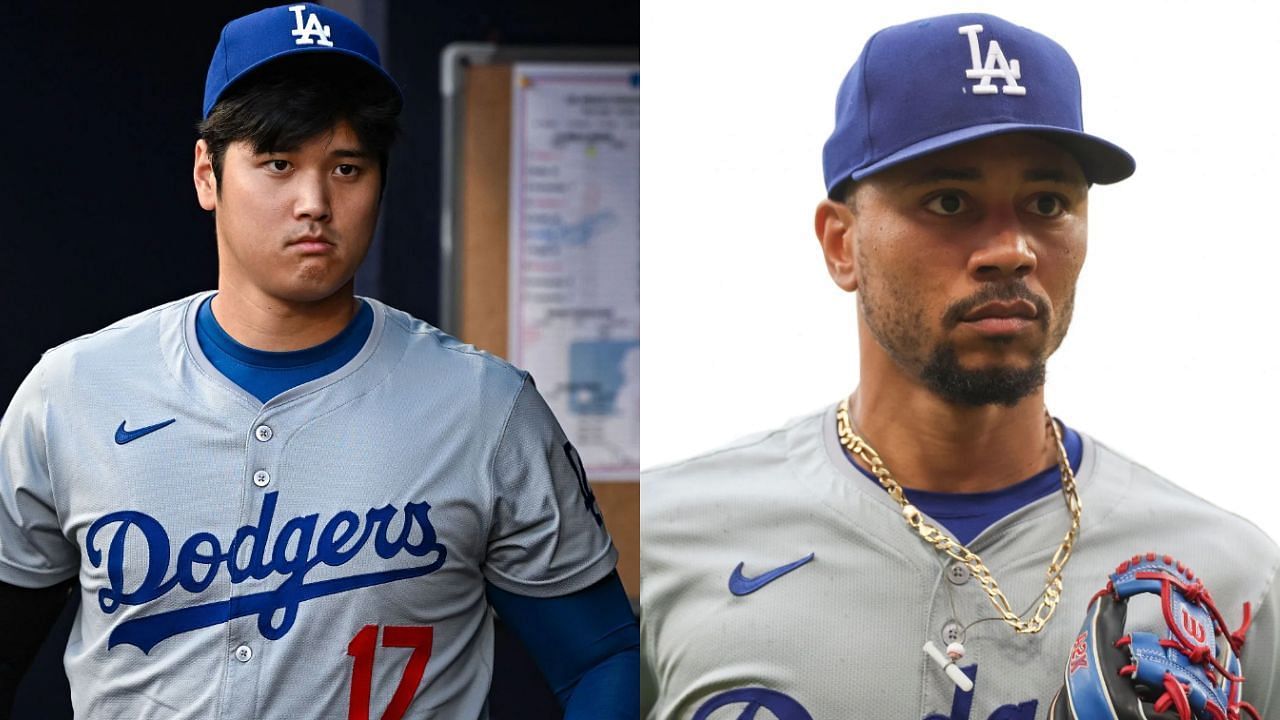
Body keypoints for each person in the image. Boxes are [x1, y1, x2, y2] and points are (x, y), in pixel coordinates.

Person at [0, 4, 638, 718]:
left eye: (346, 167)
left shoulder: (485, 408)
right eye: (277, 163)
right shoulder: (73, 392)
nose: (315, 203)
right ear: (207, 174)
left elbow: (601, 658)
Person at [640, 13, 1279, 719]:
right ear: (841, 244)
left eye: (1046, 203)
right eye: (949, 201)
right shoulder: (663, 539)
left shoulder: (1227, 580)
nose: (1011, 248)